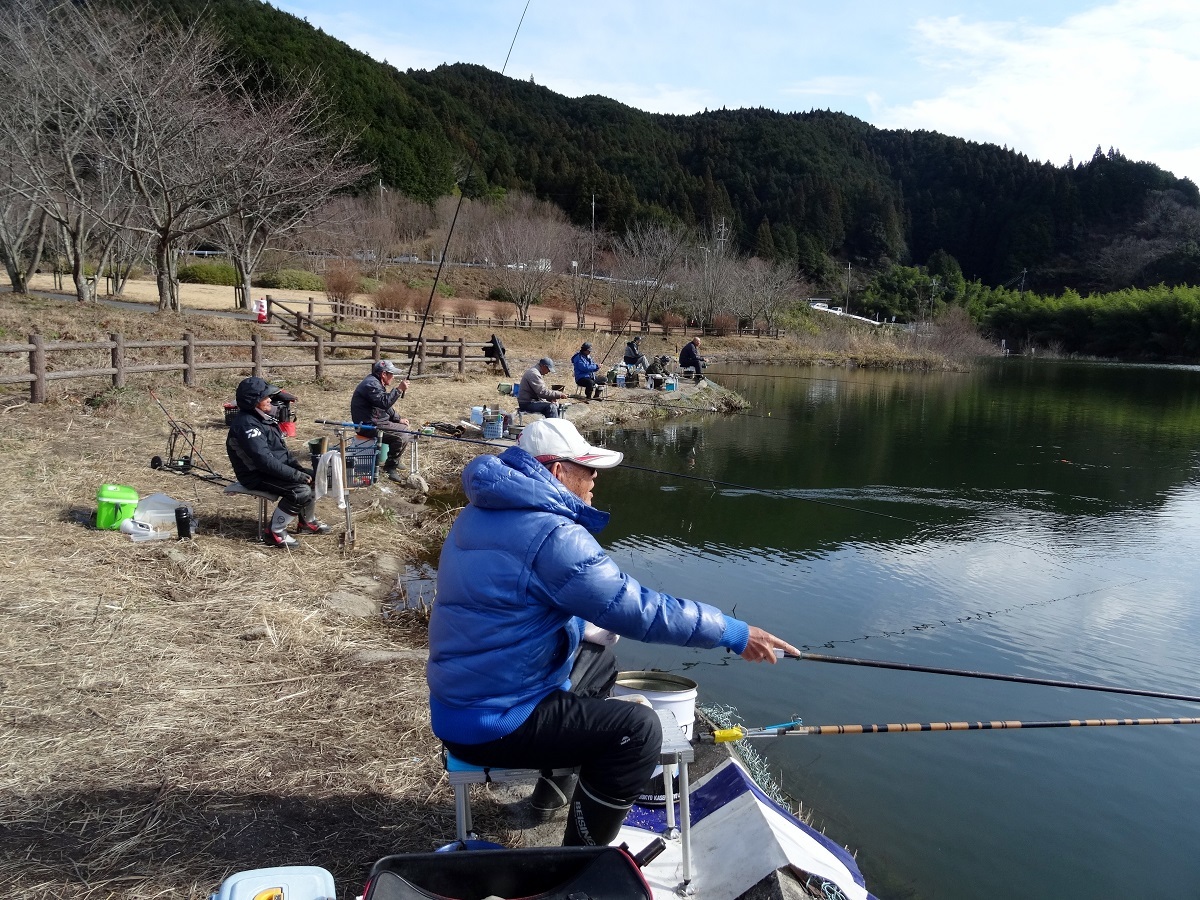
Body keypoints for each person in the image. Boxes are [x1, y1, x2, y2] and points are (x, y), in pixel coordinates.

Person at [428, 418, 799, 847]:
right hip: (493, 721)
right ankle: (580, 865)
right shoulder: (553, 535)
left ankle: (551, 795)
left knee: (599, 660)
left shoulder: (481, 512)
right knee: (637, 731)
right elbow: (640, 611)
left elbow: (504, 605)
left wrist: (583, 624)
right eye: (587, 468)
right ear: (556, 472)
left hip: (461, 700)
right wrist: (734, 632)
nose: (595, 477)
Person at [226, 376, 331, 548]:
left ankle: (307, 522)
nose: (269, 399)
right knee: (300, 490)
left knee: (314, 478)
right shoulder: (246, 425)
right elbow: (263, 461)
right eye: (264, 397)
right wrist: (295, 475)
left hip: (271, 470)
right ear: (253, 401)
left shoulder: (263, 418)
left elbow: (281, 453)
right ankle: (274, 532)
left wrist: (298, 469)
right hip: (255, 475)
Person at [350, 360, 412, 484]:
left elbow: (384, 406)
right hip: (368, 425)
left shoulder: (375, 382)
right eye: (391, 374)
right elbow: (384, 402)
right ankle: (390, 467)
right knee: (403, 434)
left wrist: (397, 418)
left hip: (376, 421)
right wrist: (399, 389)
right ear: (384, 374)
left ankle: (395, 460)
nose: (393, 377)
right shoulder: (371, 385)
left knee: (404, 426)